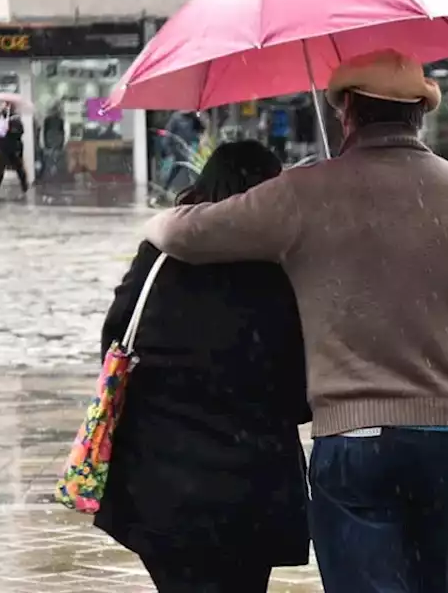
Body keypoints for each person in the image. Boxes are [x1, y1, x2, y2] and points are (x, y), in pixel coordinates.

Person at [143, 49, 448, 593]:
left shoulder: (305, 193)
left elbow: (187, 236)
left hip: (356, 441)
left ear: (348, 114)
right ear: (420, 115)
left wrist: (158, 217)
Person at [95, 140, 311, 593]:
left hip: (160, 482)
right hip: (251, 485)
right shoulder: (280, 269)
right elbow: (301, 390)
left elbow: (115, 342)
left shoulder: (160, 256)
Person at [0, 107, 28, 197]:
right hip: (2, 148)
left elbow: (20, 132)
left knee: (19, 168)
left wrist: (10, 130)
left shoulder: (15, 121)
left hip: (12, 148)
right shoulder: (1, 122)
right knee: (0, 169)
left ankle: (24, 186)